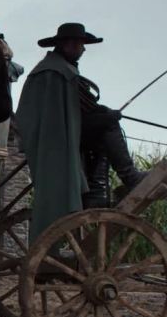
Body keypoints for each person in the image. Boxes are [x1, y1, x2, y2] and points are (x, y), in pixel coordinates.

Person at [16, 23, 147, 240]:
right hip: (58, 139)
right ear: (69, 45)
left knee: (105, 125)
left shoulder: (56, 68)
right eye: (81, 45)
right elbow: (79, 111)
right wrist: (109, 116)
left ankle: (97, 191)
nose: (84, 49)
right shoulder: (58, 72)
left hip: (61, 133)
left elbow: (81, 108)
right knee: (109, 125)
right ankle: (128, 177)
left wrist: (105, 113)